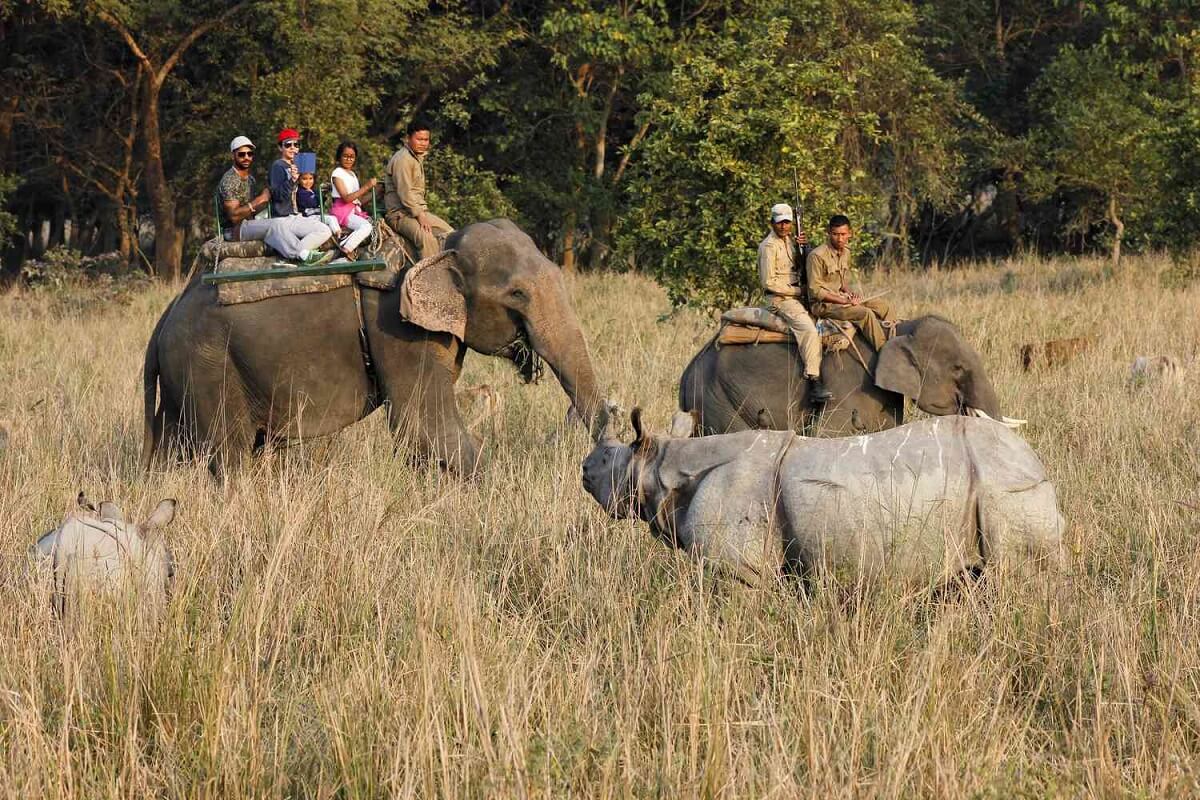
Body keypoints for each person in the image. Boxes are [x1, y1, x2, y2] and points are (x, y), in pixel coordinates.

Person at [216, 135, 333, 265]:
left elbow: (257, 208)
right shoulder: (230, 180)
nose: (246, 157)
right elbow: (234, 217)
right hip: (235, 230)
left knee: (278, 224)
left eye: (250, 154)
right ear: (233, 155)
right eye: (241, 154)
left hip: (251, 224)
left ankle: (291, 257)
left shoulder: (250, 179)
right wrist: (260, 200)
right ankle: (302, 255)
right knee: (276, 224)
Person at [759, 202, 831, 403]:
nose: (784, 226)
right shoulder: (768, 247)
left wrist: (804, 248)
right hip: (780, 299)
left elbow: (801, 266)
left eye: (787, 222)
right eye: (780, 222)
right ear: (772, 222)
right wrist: (798, 291)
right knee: (808, 329)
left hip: (796, 296)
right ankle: (814, 381)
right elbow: (768, 282)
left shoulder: (790, 241)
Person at [806, 214, 895, 351]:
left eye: (843, 234)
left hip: (842, 299)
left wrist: (851, 295)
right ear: (829, 233)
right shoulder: (817, 256)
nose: (840, 238)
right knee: (864, 313)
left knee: (883, 307)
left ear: (850, 234)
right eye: (835, 234)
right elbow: (815, 291)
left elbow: (842, 283)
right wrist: (843, 302)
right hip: (823, 305)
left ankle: (893, 340)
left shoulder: (846, 252)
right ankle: (884, 351)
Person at [383, 118, 453, 259]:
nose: (423, 143)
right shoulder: (403, 159)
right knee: (426, 238)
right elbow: (405, 193)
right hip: (400, 214)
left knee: (451, 234)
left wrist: (421, 214)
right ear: (408, 138)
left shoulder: (416, 157)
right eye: (419, 139)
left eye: (426, 140)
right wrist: (420, 216)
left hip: (417, 211)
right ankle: (430, 277)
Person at [266, 128, 335, 264]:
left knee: (325, 229)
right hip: (284, 218)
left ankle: (295, 256)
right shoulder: (278, 166)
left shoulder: (295, 165)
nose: (293, 148)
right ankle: (297, 256)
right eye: (288, 145)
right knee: (323, 230)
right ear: (280, 147)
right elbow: (277, 195)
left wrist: (318, 193)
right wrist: (292, 180)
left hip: (297, 216)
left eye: (296, 144)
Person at [329, 141, 376, 259]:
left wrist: (376, 193)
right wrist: (367, 186)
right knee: (366, 227)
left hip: (353, 210)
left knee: (372, 224)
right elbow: (346, 198)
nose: (349, 159)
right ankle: (346, 247)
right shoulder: (337, 173)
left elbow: (357, 201)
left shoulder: (352, 174)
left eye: (352, 157)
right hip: (341, 211)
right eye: (345, 156)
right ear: (339, 157)